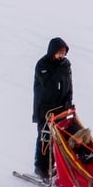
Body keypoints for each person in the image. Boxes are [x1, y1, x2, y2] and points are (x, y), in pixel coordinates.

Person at [32, 37, 73, 177]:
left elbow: (69, 85)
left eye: (64, 52)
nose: (62, 55)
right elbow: (47, 86)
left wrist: (68, 101)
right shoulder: (42, 65)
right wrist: (59, 72)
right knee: (44, 137)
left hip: (60, 108)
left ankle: (53, 165)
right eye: (60, 52)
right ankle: (41, 168)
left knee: (58, 138)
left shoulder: (65, 64)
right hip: (44, 108)